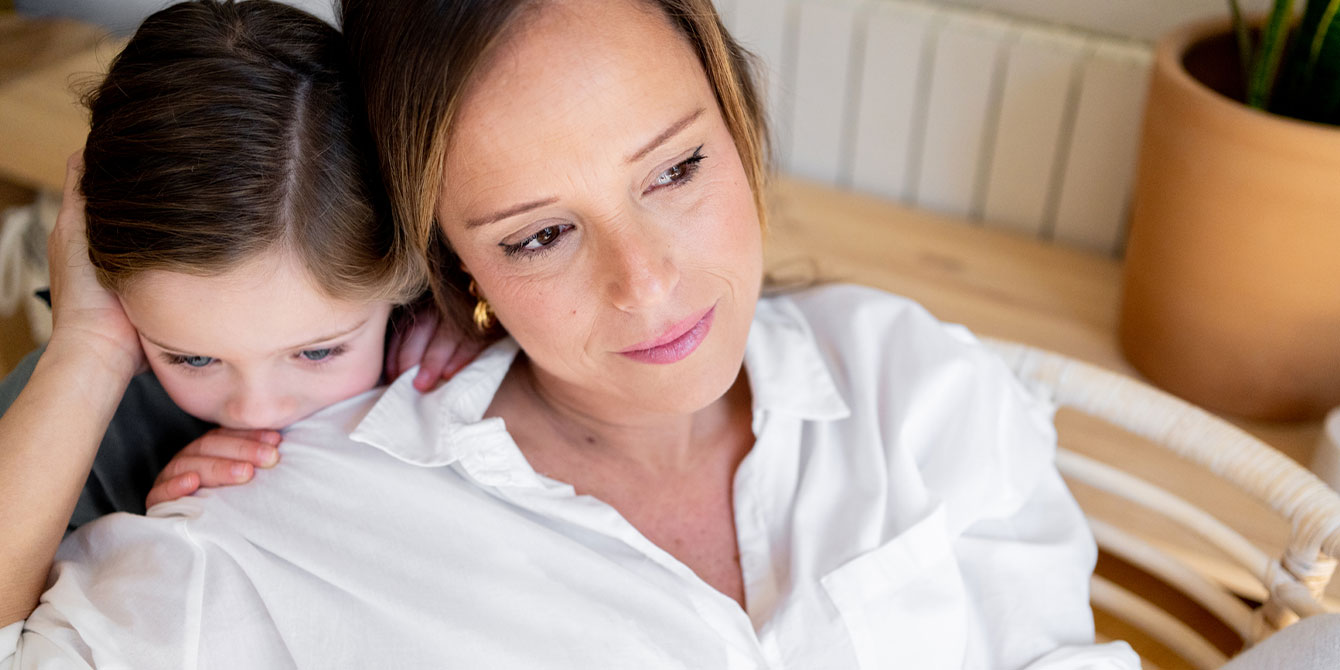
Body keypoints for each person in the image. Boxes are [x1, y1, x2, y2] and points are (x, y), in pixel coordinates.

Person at [3, 0, 1335, 668]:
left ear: (734, 118)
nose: (652, 289)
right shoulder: (271, 528)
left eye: (675, 169)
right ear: (441, 261)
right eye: (538, 234)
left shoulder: (923, 388)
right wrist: (85, 357)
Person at [0, 0, 477, 639]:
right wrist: (86, 350)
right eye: (191, 357)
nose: (256, 410)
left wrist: (466, 304)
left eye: (318, 352)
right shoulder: (71, 408)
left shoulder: (446, 311)